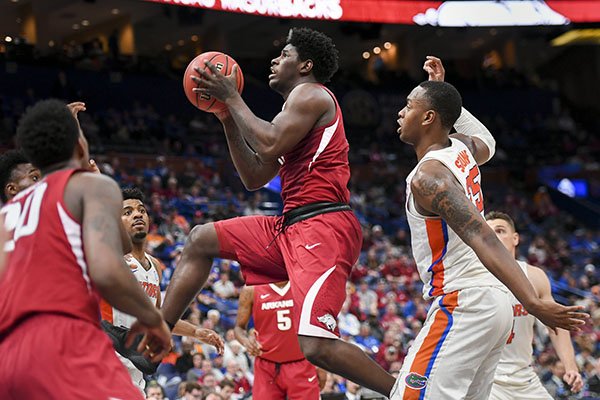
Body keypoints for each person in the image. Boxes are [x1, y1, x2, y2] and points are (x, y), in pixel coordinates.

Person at [161, 27, 396, 396]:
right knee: (200, 239)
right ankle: (157, 334)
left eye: (284, 55)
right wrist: (226, 116)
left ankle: (405, 393)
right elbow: (255, 176)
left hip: (323, 224)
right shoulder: (293, 116)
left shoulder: (312, 95)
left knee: (316, 346)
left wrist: (234, 98)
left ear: (306, 65)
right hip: (291, 225)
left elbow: (268, 143)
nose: (274, 60)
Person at [390, 57, 586, 399]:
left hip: (464, 300)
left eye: (408, 106)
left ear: (428, 117)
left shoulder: (429, 177)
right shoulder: (461, 148)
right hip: (492, 304)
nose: (400, 113)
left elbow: (482, 235)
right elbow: (488, 142)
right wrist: (447, 96)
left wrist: (532, 302)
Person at [0, 99, 171, 399]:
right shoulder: (87, 188)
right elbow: (110, 266)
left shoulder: (6, 218)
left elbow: (120, 245)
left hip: (10, 356)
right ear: (78, 146)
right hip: (62, 345)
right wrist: (154, 319)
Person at [100, 186, 225, 391]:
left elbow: (159, 318)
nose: (137, 214)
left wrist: (196, 332)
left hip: (135, 369)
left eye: (141, 210)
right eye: (127, 212)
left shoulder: (155, 266)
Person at [486, 211, 583, 399]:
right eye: (489, 233)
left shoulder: (535, 276)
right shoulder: (472, 276)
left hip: (523, 378)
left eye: (500, 230)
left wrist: (571, 367)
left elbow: (557, 324)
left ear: (515, 238)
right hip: (485, 379)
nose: (494, 237)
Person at [234, 281, 324, 399]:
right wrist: (246, 342)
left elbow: (320, 325)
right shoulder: (251, 289)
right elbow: (239, 328)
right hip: (266, 366)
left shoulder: (304, 284)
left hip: (301, 363)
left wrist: (322, 364)